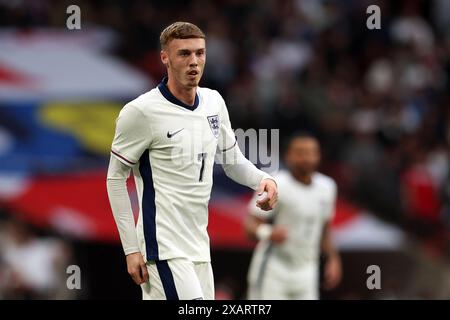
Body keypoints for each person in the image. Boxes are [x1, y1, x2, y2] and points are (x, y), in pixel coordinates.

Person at [106, 22, 278, 300]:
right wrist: (131, 249)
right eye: (184, 54)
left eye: (200, 53)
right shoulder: (141, 112)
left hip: (199, 246)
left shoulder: (213, 102)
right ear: (165, 57)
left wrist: (264, 180)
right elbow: (115, 178)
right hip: (162, 247)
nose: (194, 62)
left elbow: (232, 161)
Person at [245, 132, 341, 299]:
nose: (306, 158)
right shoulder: (276, 184)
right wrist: (268, 233)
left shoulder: (327, 187)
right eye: (300, 153)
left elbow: (324, 229)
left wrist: (333, 258)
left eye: (311, 152)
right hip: (273, 270)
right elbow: (249, 225)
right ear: (288, 156)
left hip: (307, 271)